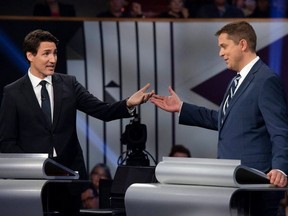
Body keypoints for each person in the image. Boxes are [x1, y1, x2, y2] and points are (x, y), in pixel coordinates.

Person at [151, 21, 288, 215]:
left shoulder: (266, 80)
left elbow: (281, 130)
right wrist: (181, 108)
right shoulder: (235, 81)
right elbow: (225, 120)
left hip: (257, 185)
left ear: (242, 44)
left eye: (224, 46)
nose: (221, 53)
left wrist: (280, 169)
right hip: (234, 183)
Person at [0, 29, 154, 181]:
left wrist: (128, 103)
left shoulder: (69, 84)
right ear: (30, 55)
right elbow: (7, 141)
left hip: (70, 174)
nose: (53, 60)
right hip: (33, 176)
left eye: (55, 53)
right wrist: (28, 168)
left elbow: (103, 111)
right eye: (46, 53)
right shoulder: (13, 92)